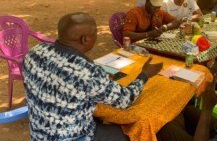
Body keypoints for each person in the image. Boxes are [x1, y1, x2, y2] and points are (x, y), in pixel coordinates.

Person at [22, 12, 164, 141]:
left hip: (39, 135)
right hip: (74, 136)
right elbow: (125, 100)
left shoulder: (34, 52)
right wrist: (145, 74)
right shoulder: (87, 72)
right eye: (96, 32)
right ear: (85, 39)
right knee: (134, 131)